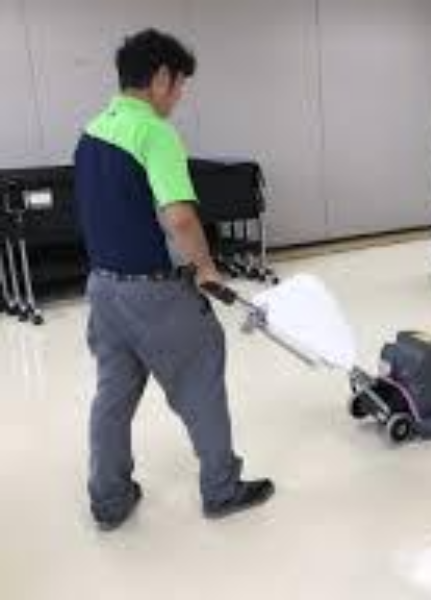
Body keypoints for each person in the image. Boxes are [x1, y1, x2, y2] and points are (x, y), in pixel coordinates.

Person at [74, 29, 273, 531]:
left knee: (113, 395)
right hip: (153, 292)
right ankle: (222, 489)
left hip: (103, 290)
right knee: (201, 371)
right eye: (180, 84)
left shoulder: (92, 131)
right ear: (161, 77)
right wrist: (205, 269)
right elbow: (180, 218)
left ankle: (109, 498)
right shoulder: (154, 133)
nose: (180, 96)